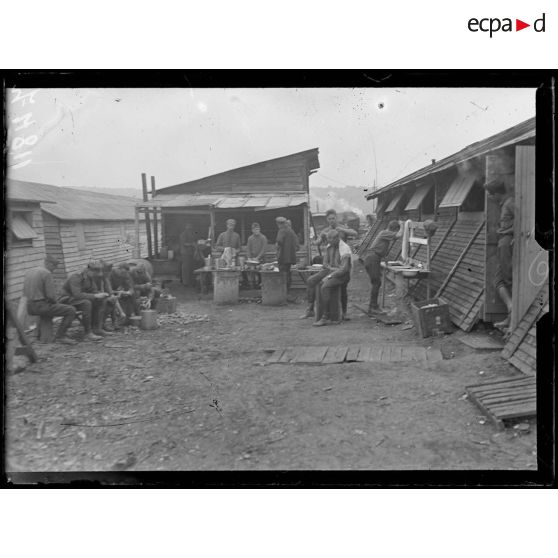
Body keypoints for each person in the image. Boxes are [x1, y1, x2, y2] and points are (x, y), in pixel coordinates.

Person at [300, 229, 352, 325]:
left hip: (342, 275)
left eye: (331, 240)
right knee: (311, 280)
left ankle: (325, 316)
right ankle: (310, 309)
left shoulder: (345, 248)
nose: (329, 242)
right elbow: (325, 263)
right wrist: (329, 269)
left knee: (325, 286)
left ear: (337, 238)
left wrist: (330, 275)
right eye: (328, 240)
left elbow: (344, 269)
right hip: (330, 270)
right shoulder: (330, 246)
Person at [23, 255, 77, 344]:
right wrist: (57, 302)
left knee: (47, 312)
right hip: (41, 305)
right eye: (53, 266)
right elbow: (51, 296)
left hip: (30, 306)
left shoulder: (30, 271)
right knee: (71, 310)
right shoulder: (46, 273)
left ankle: (43, 338)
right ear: (48, 264)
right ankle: (61, 336)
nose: (54, 269)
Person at [485, 178, 515, 331]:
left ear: (497, 194)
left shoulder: (510, 203)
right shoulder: (505, 204)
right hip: (502, 242)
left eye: (491, 194)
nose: (490, 197)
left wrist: (511, 234)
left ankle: (512, 319)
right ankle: (511, 311)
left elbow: (523, 221)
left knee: (508, 280)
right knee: (498, 280)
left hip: (507, 243)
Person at [59, 260, 111, 340]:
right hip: (67, 300)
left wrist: (101, 294)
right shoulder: (76, 277)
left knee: (101, 300)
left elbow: (93, 290)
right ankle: (88, 333)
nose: (95, 275)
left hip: (78, 300)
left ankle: (97, 328)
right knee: (87, 303)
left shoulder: (90, 278)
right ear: (88, 270)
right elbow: (77, 295)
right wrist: (95, 295)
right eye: (94, 272)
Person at [362, 220, 402, 314]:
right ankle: (373, 307)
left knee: (376, 282)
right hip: (372, 258)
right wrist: (403, 225)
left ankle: (373, 306)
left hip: (373, 258)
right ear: (394, 229)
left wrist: (386, 260)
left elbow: (381, 249)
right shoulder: (385, 233)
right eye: (396, 230)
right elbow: (399, 235)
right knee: (376, 283)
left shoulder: (385, 234)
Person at [275, 216, 299, 292]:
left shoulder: (282, 230)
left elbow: (279, 241)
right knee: (288, 273)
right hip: (290, 257)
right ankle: (287, 290)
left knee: (282, 274)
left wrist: (277, 245)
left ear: (279, 224)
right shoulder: (291, 230)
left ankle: (283, 292)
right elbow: (297, 244)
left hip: (283, 257)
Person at [245, 222, 267, 288]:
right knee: (252, 272)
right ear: (252, 230)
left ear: (260, 229)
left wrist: (258, 258)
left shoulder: (263, 238)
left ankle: (261, 285)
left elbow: (264, 249)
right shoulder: (250, 238)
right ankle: (253, 286)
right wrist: (249, 257)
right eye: (255, 229)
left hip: (261, 259)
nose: (256, 230)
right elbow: (248, 248)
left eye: (258, 229)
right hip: (252, 259)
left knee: (261, 272)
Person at [179, 222, 196, 287]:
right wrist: (192, 244)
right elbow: (184, 244)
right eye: (188, 227)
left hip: (190, 253)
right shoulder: (183, 234)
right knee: (185, 267)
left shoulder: (191, 233)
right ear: (186, 227)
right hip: (185, 253)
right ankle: (185, 282)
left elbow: (192, 240)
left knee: (190, 267)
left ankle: (189, 281)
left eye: (190, 227)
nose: (190, 228)